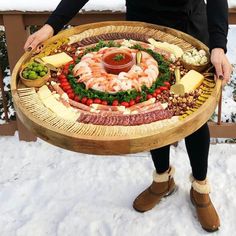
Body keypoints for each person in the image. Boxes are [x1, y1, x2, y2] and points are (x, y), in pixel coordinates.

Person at [24, 0, 232, 232]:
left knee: (193, 112)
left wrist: (218, 45)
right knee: (149, 110)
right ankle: (162, 180)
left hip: (187, 26)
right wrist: (51, 26)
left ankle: (200, 187)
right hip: (141, 26)